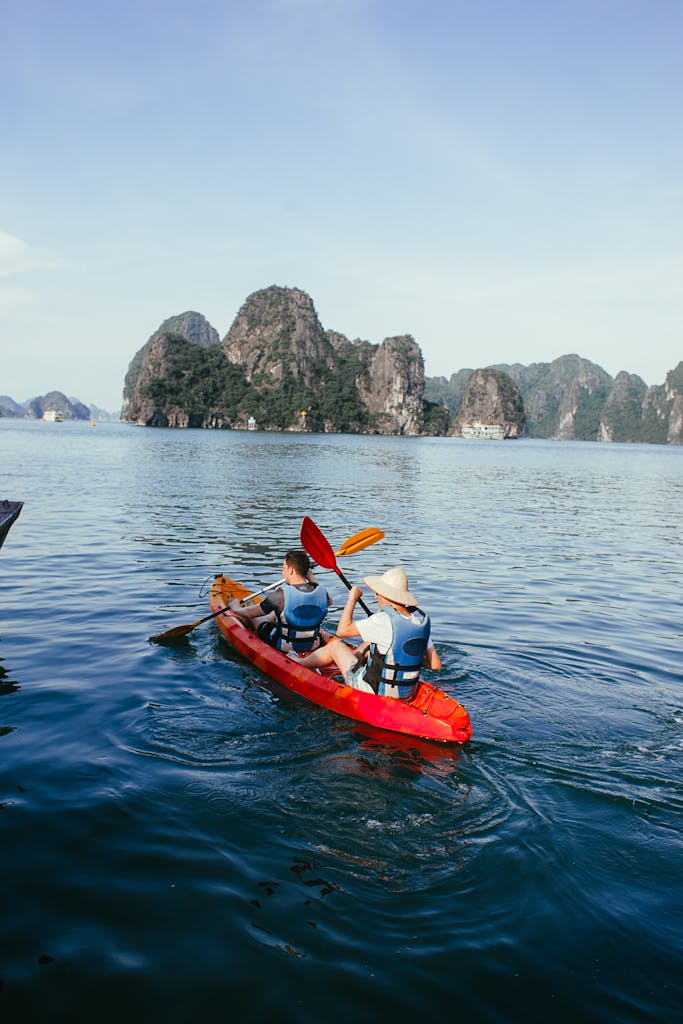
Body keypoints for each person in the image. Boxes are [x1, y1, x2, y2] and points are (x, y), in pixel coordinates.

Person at [296, 567, 442, 700]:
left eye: (378, 592)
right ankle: (351, 663)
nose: (376, 596)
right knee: (369, 643)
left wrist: (352, 599)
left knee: (336, 646)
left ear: (385, 594)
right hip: (406, 692)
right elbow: (435, 665)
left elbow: (342, 630)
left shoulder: (383, 619)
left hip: (374, 691)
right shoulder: (419, 622)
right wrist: (405, 657)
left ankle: (299, 664)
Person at [229, 549, 332, 655]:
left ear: (291, 570)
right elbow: (329, 601)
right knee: (279, 613)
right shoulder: (322, 593)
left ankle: (261, 617)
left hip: (285, 645)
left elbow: (248, 614)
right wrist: (310, 575)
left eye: (284, 568)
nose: (283, 572)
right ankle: (271, 616)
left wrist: (236, 608)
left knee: (255, 617)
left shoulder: (280, 595)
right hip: (313, 644)